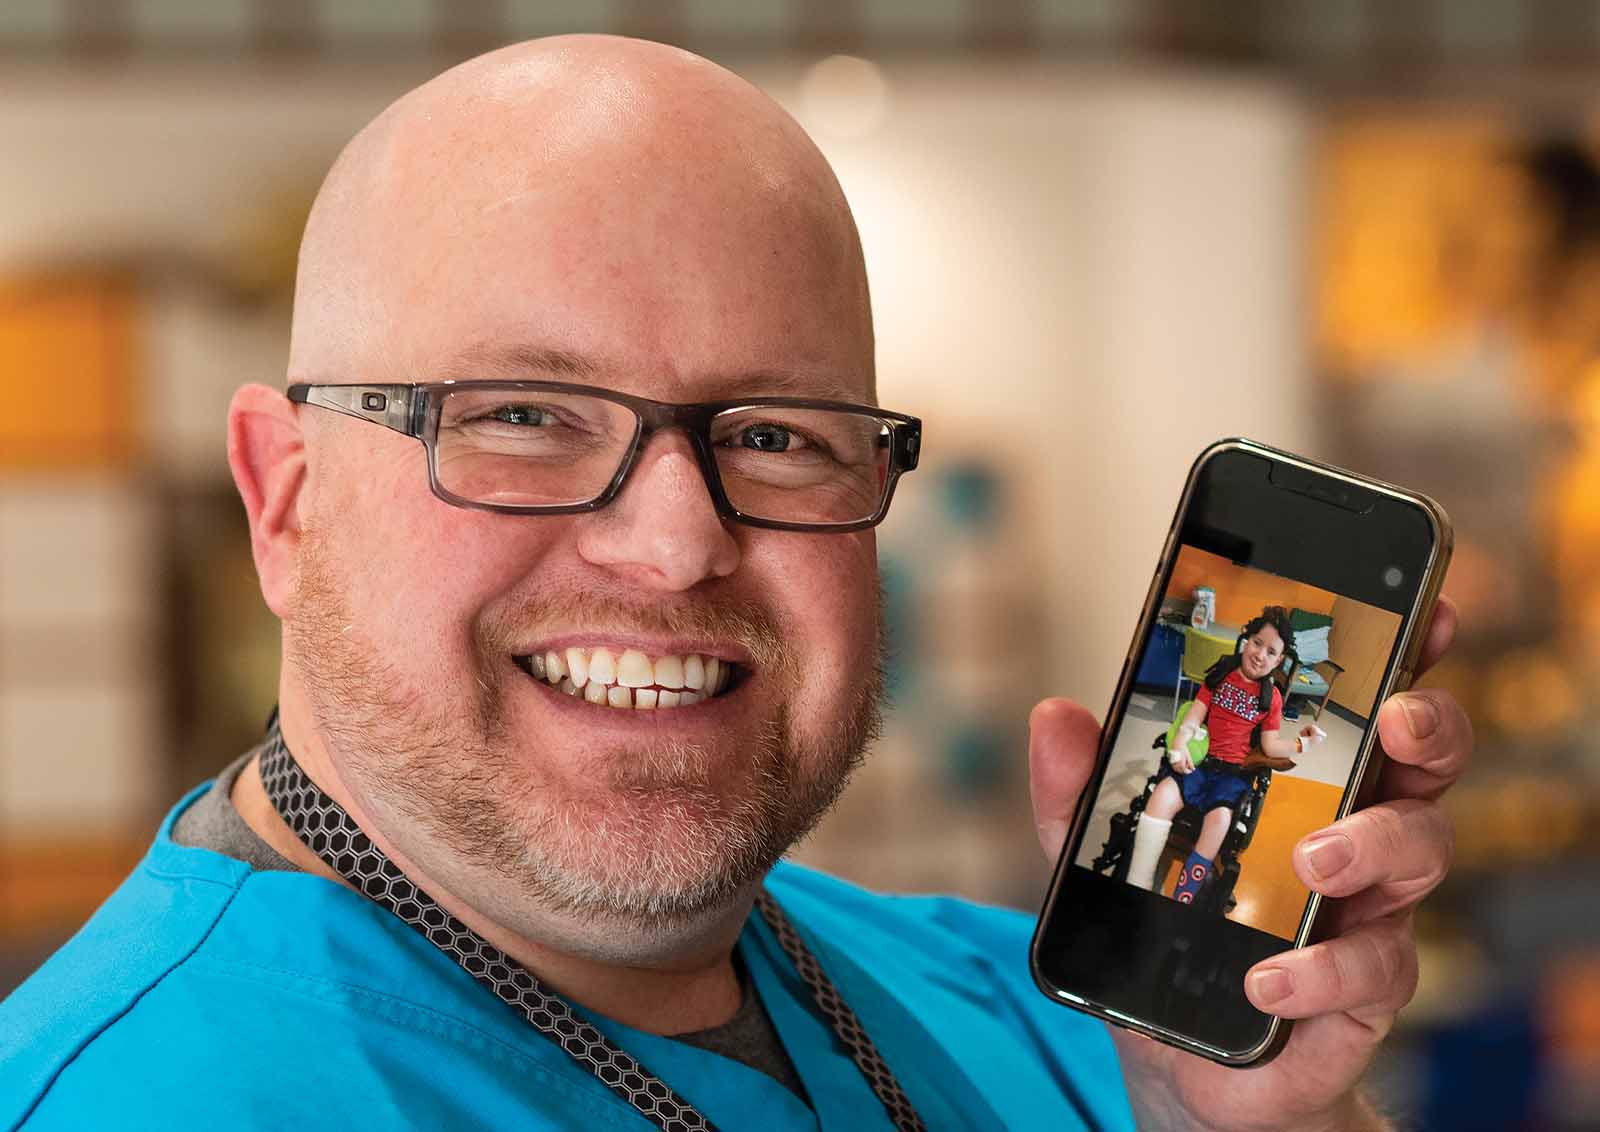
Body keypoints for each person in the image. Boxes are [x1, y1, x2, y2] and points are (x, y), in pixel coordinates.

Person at [0, 36, 1472, 1132]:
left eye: (774, 437)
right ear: (287, 498)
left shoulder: (1052, 1022)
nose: (676, 543)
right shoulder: (135, 1095)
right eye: (523, 415)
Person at [1128, 605, 1326, 903]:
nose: (1260, 654)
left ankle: (1182, 898)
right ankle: (1136, 883)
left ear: (1279, 660)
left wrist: (1302, 744)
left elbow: (1271, 746)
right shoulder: (1222, 673)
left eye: (1271, 652)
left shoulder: (1269, 698)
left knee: (1219, 821)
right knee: (1161, 797)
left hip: (1232, 773)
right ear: (1246, 640)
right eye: (1257, 643)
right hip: (1199, 761)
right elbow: (1194, 715)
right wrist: (1181, 743)